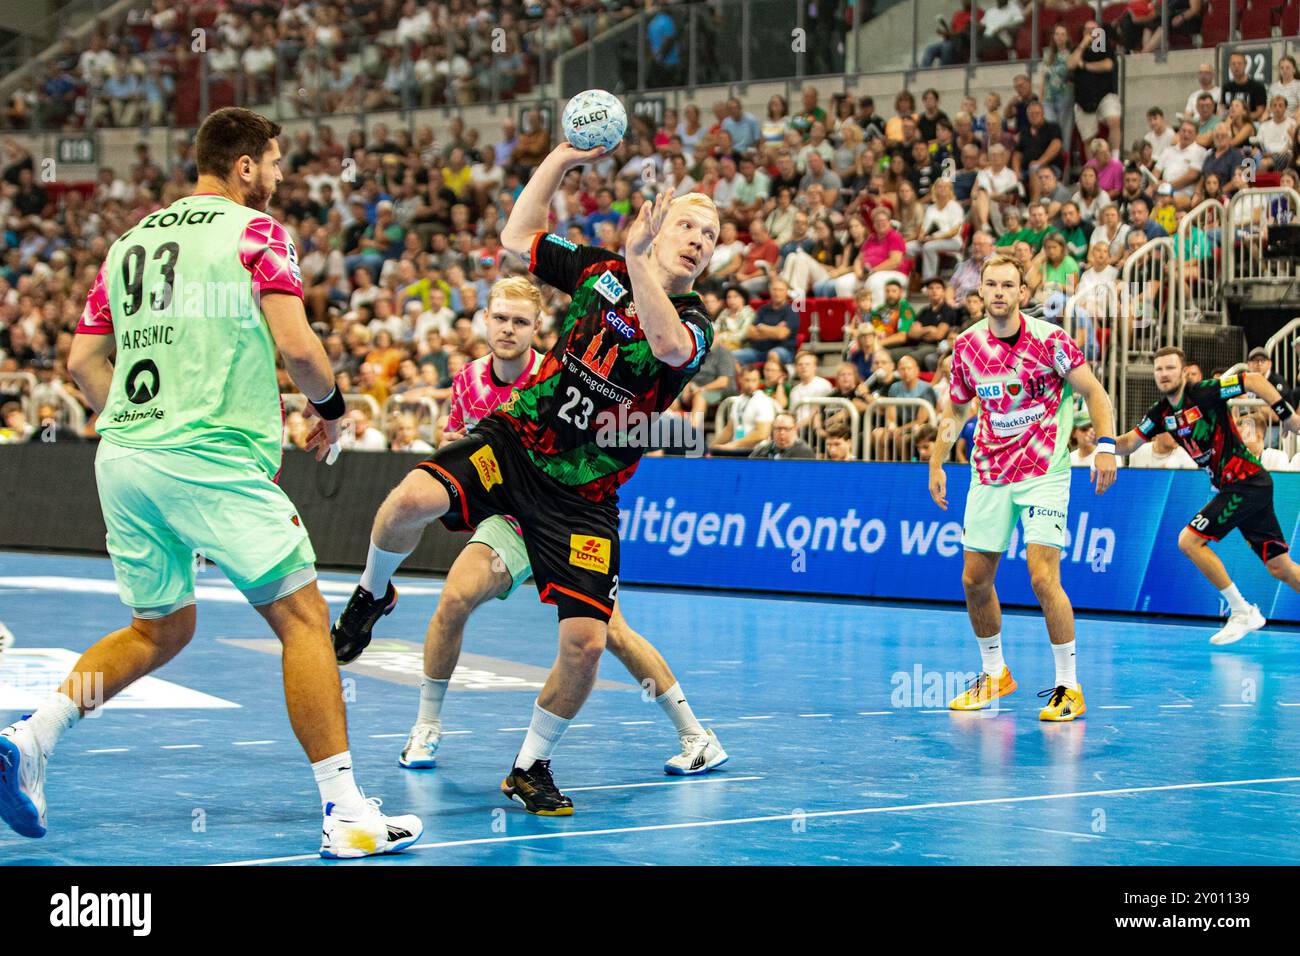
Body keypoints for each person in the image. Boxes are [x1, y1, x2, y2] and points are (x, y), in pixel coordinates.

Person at [0, 108, 423, 858]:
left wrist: (137, 419)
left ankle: (33, 741)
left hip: (125, 458)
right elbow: (298, 346)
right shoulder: (257, 233)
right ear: (246, 167)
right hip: (210, 456)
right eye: (277, 162)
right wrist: (331, 409)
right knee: (302, 618)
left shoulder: (129, 244)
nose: (284, 176)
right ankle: (346, 810)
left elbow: (80, 366)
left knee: (159, 627)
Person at [330, 133, 721, 815]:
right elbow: (518, 235)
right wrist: (564, 158)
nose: (696, 238)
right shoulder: (597, 270)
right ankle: (372, 595)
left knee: (587, 645)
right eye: (686, 223)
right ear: (659, 227)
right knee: (407, 501)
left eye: (709, 235)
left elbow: (662, 346)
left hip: (584, 495)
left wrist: (637, 261)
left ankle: (530, 765)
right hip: (520, 442)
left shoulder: (693, 322)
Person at [397, 276, 727, 777]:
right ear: (484, 319)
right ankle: (426, 726)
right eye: (501, 318)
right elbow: (461, 446)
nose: (509, 329)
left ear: (539, 329)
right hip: (509, 524)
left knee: (610, 633)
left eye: (520, 322)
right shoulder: (467, 381)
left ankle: (696, 735)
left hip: (567, 514)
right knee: (453, 600)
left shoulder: (558, 374)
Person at [929, 253, 1117, 721]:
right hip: (989, 471)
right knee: (974, 580)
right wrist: (935, 461)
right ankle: (994, 672)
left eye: (1007, 285)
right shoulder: (968, 346)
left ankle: (1068, 687)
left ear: (1022, 294)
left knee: (1041, 576)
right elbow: (955, 411)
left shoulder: (1051, 340)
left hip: (1044, 472)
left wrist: (1108, 445)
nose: (997, 292)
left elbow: (1094, 392)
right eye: (990, 285)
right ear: (982, 293)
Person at [1112, 347, 1300, 645]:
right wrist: (1103, 444)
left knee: (1189, 540)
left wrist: (1285, 413)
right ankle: (1242, 612)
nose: (1164, 374)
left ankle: (1241, 611)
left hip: (1246, 481)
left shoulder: (1206, 392)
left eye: (1170, 368)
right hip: (1240, 488)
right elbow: (1128, 444)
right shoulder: (1160, 414)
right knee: (1281, 567)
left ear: (1183, 371)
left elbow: (1251, 380)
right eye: (1159, 369)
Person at [749, 412, 815, 460]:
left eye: (786, 429)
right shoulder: (763, 449)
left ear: (795, 429)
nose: (782, 432)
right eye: (778, 429)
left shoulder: (804, 452)